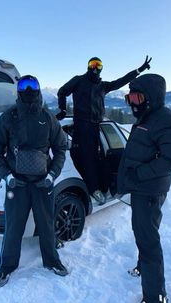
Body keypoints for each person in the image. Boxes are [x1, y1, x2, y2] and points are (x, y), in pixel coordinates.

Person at [0, 75, 68, 288]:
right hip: (17, 184)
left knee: (47, 225)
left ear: (39, 89)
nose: (28, 90)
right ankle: (6, 268)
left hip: (43, 184)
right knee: (13, 227)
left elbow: (61, 148)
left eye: (32, 85)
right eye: (24, 85)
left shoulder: (48, 117)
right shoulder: (9, 117)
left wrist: (52, 175)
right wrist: (8, 176)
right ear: (18, 91)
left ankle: (52, 261)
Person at [117, 74, 171, 303]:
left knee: (148, 240)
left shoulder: (164, 119)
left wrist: (140, 174)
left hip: (150, 189)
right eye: (129, 98)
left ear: (151, 97)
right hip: (143, 189)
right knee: (143, 231)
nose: (133, 103)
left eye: (137, 97)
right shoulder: (147, 116)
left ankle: (155, 297)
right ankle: (143, 267)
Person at [56, 56, 152, 205]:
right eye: (92, 64)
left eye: (98, 65)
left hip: (96, 126)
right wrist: (62, 109)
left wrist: (138, 70)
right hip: (82, 125)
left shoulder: (103, 86)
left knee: (97, 158)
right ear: (88, 66)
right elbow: (62, 91)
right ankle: (94, 189)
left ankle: (103, 187)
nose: (95, 67)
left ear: (101, 68)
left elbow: (121, 81)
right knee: (88, 158)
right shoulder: (78, 80)